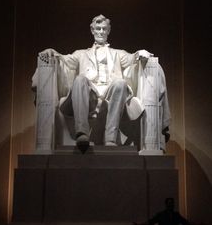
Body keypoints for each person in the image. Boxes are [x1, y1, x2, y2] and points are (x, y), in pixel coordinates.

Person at [34, 14, 159, 149]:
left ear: (108, 31)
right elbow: (65, 60)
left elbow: (131, 58)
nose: (101, 32)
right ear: (92, 30)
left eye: (104, 29)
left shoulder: (118, 53)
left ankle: (110, 137)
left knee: (120, 83)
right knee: (80, 79)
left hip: (112, 92)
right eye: (98, 29)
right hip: (89, 93)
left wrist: (140, 53)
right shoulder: (81, 53)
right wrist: (52, 52)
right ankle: (82, 133)